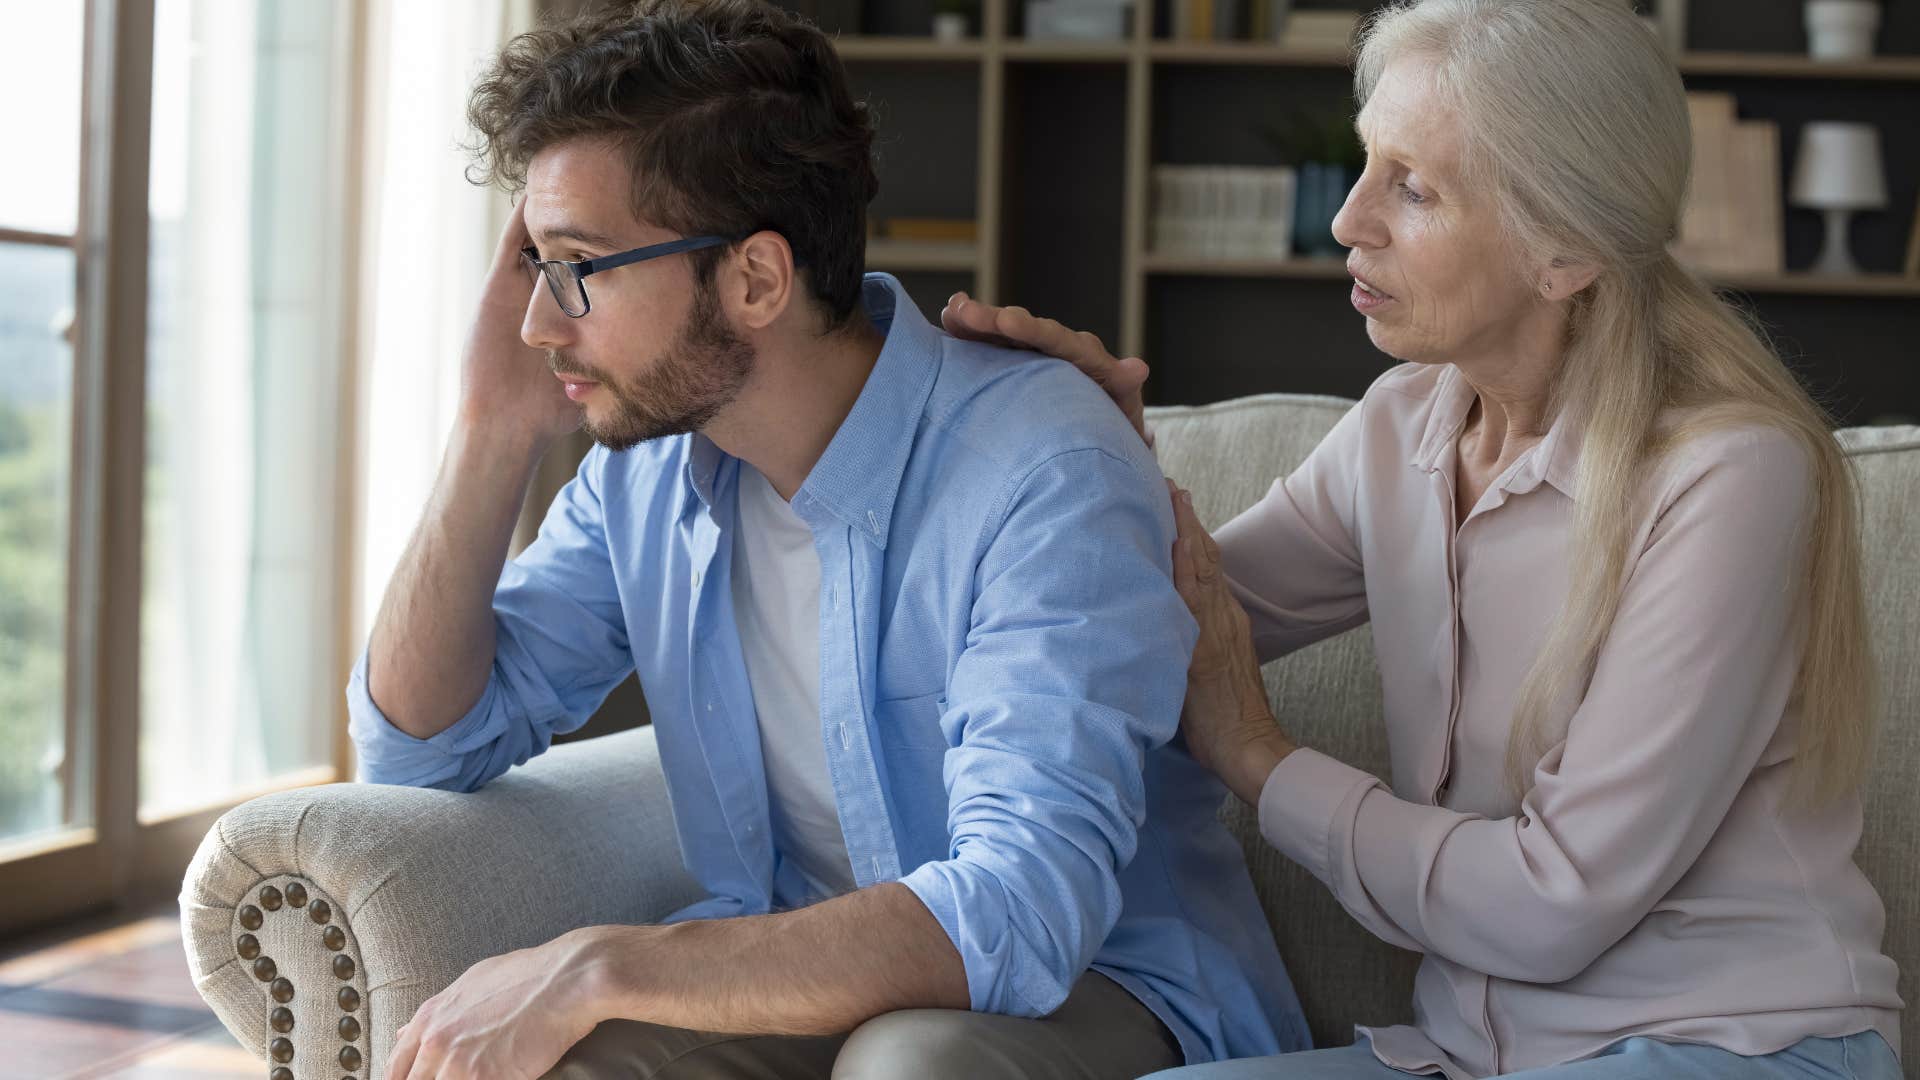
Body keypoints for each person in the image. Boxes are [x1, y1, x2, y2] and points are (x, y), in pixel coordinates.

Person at [941, 1, 1905, 1077]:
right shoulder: (1401, 427)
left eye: (1413, 187)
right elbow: (1157, 621)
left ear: (1565, 252)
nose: (1350, 219)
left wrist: (1260, 758)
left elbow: (1554, 903)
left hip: (1733, 1050)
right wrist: (1090, 450)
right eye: (1366, 167)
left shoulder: (1729, 475)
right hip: (1469, 1058)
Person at [348, 1, 1311, 1077]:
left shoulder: (1043, 469)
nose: (538, 322)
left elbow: (1021, 913)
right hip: (806, 973)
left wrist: (601, 964)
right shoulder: (648, 475)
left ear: (756, 279)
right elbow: (420, 745)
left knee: (911, 1062)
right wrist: (491, 432)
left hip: (1107, 993)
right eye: (535, 266)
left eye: (578, 266)